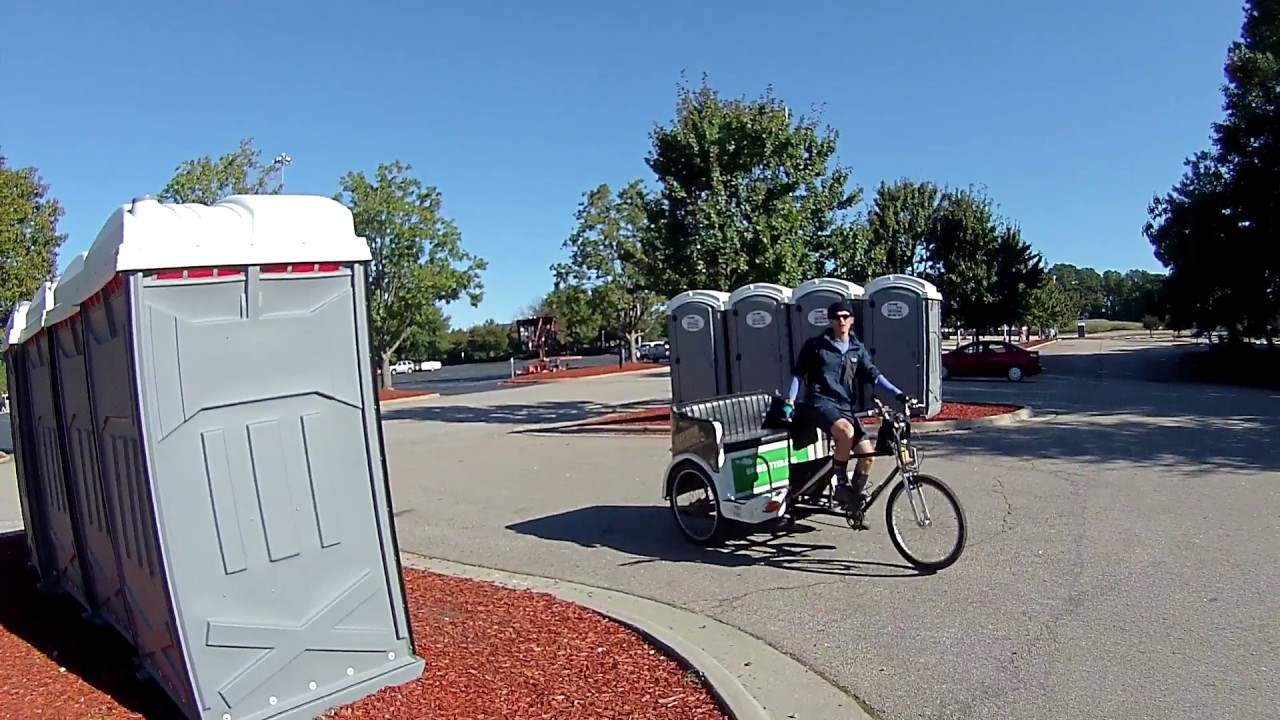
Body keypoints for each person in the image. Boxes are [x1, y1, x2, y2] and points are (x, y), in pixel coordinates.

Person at [783, 300, 910, 510]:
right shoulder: (815, 346)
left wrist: (898, 395)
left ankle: (852, 501)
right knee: (845, 431)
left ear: (851, 320)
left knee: (867, 456)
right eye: (836, 317)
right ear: (831, 321)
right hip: (820, 402)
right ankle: (840, 484)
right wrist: (790, 400)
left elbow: (874, 375)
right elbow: (798, 374)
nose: (841, 321)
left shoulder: (855, 348)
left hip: (844, 405)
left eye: (845, 316)